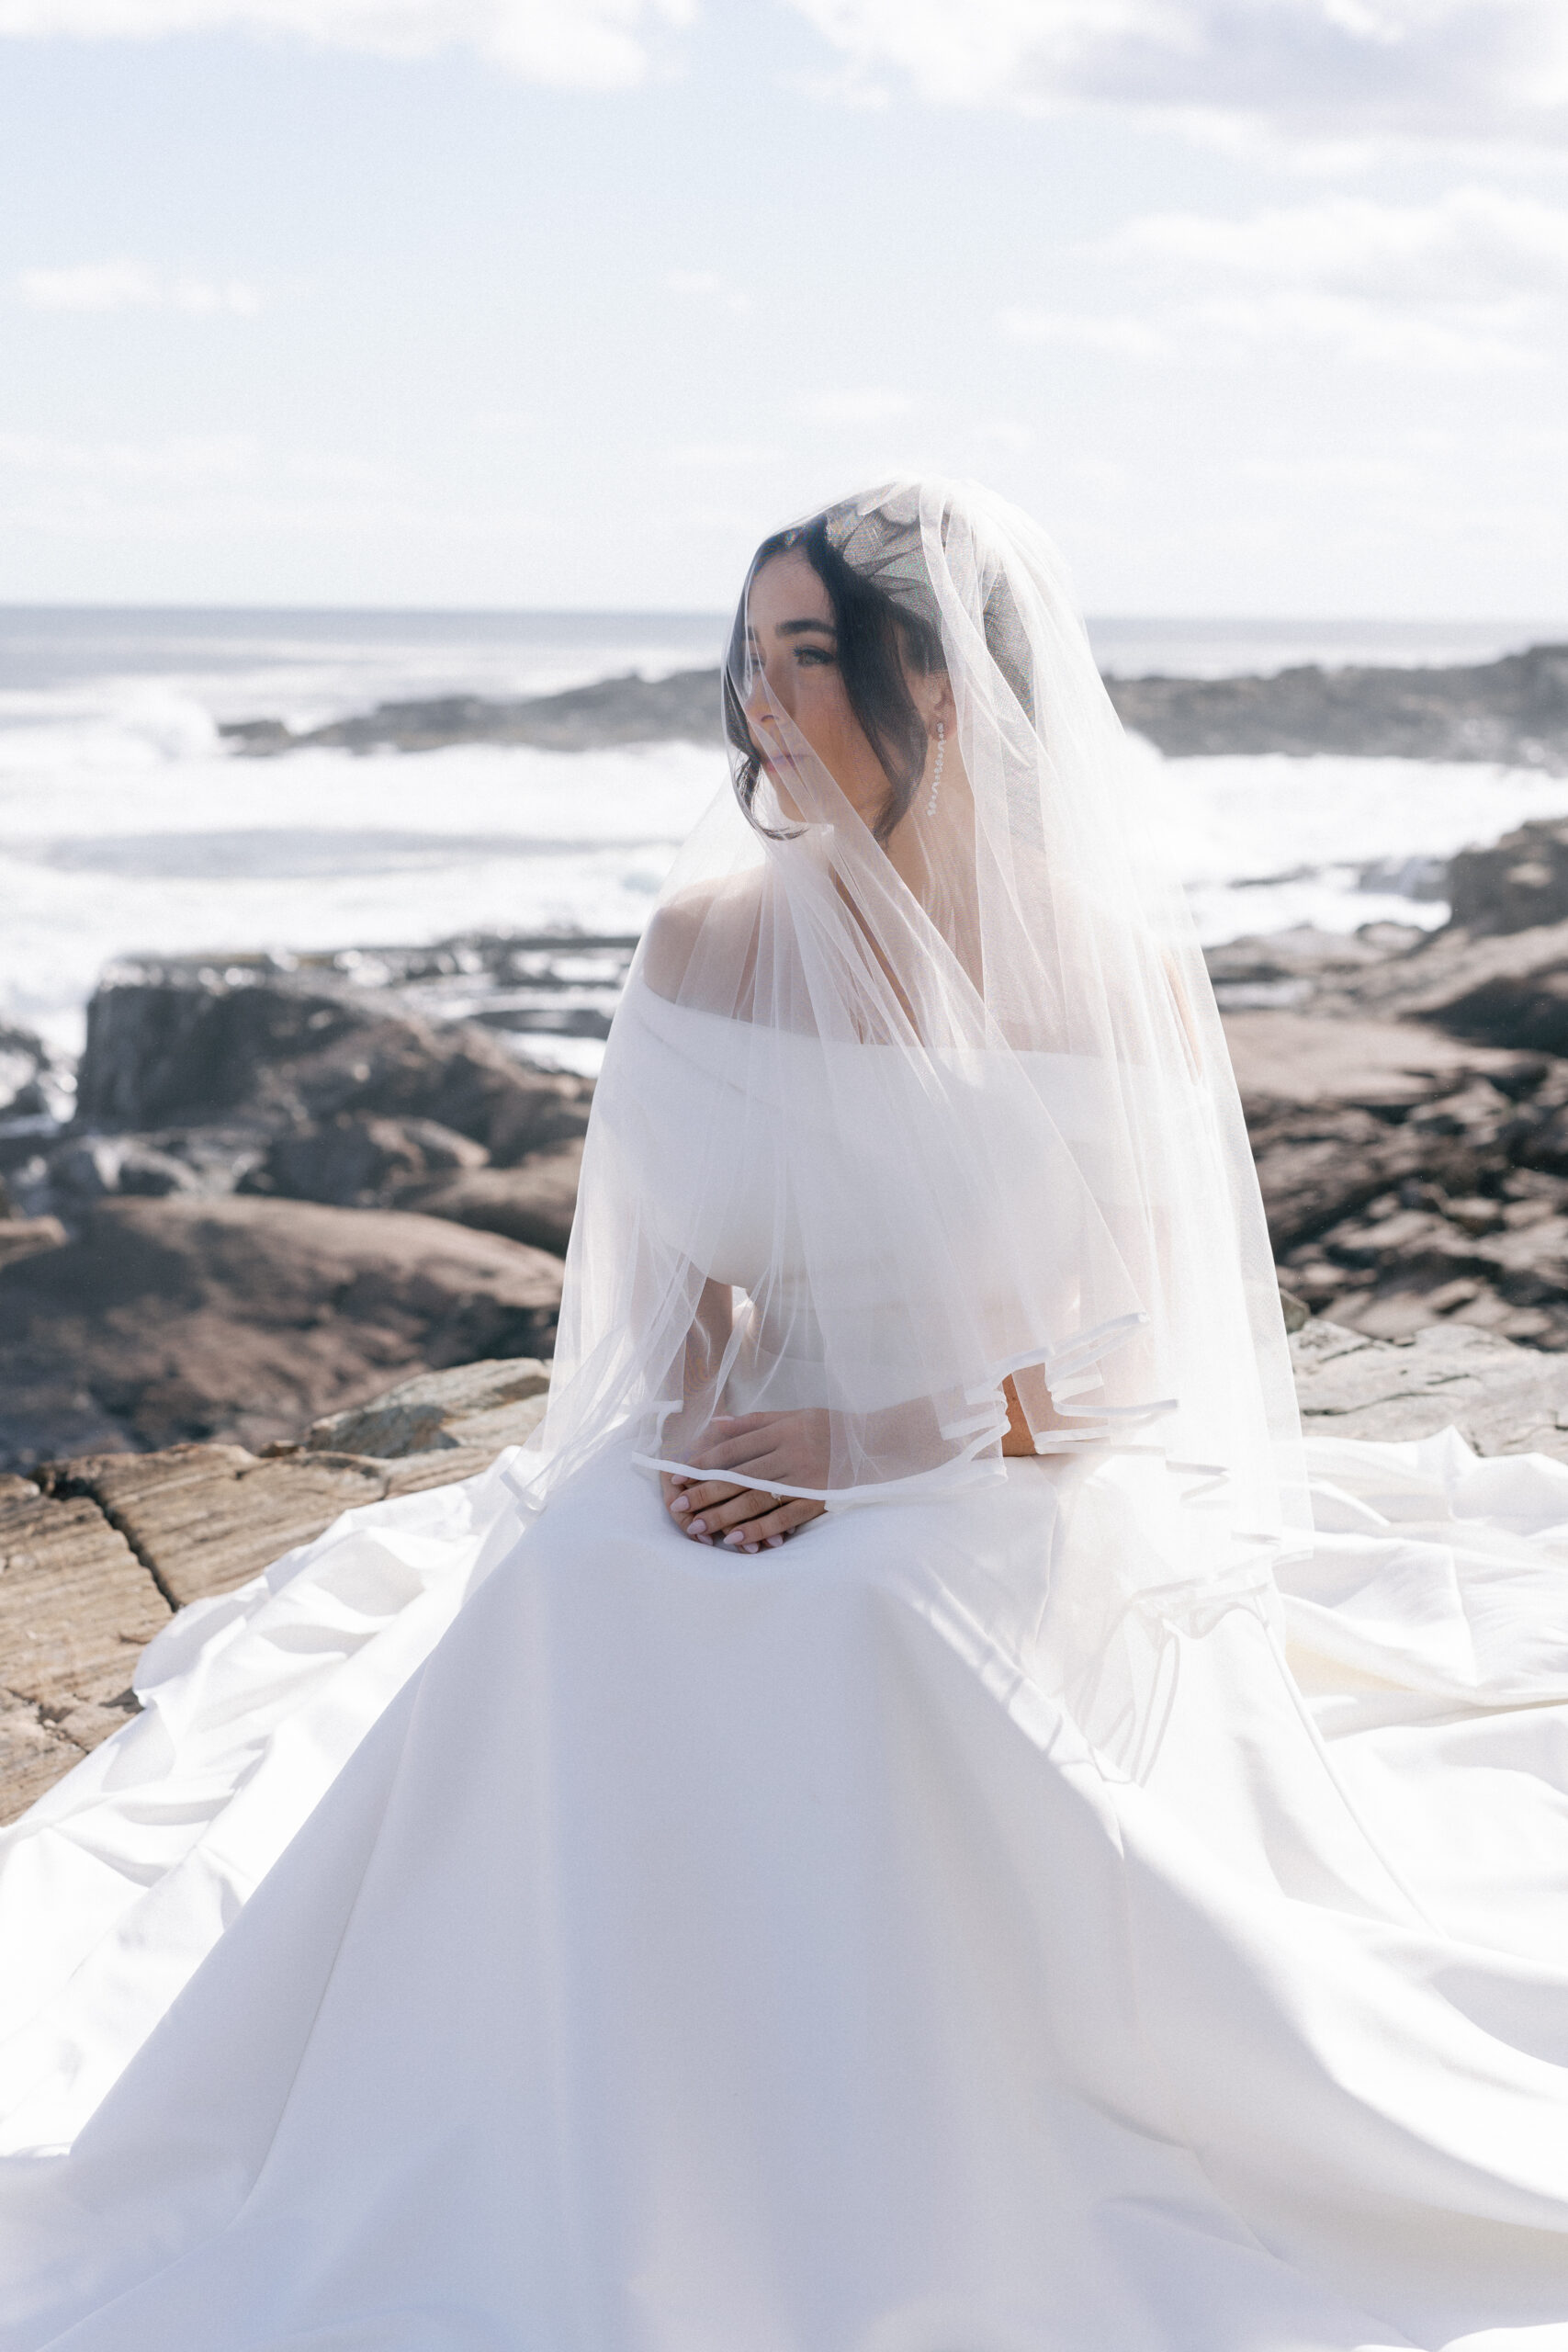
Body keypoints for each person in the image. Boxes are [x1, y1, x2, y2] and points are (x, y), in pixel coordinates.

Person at [2, 479, 1566, 2351]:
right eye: (744, 655)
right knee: (578, 1577)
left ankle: (883, 2153)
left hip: (1004, 1450)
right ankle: (561, 2111)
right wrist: (682, 1437)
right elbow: (672, 1287)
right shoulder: (695, 941)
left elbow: (1130, 1349)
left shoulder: (1104, 960)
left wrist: (879, 1439)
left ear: (940, 679)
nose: (758, 700)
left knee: (868, 1620)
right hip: (745, 1427)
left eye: (806, 656)